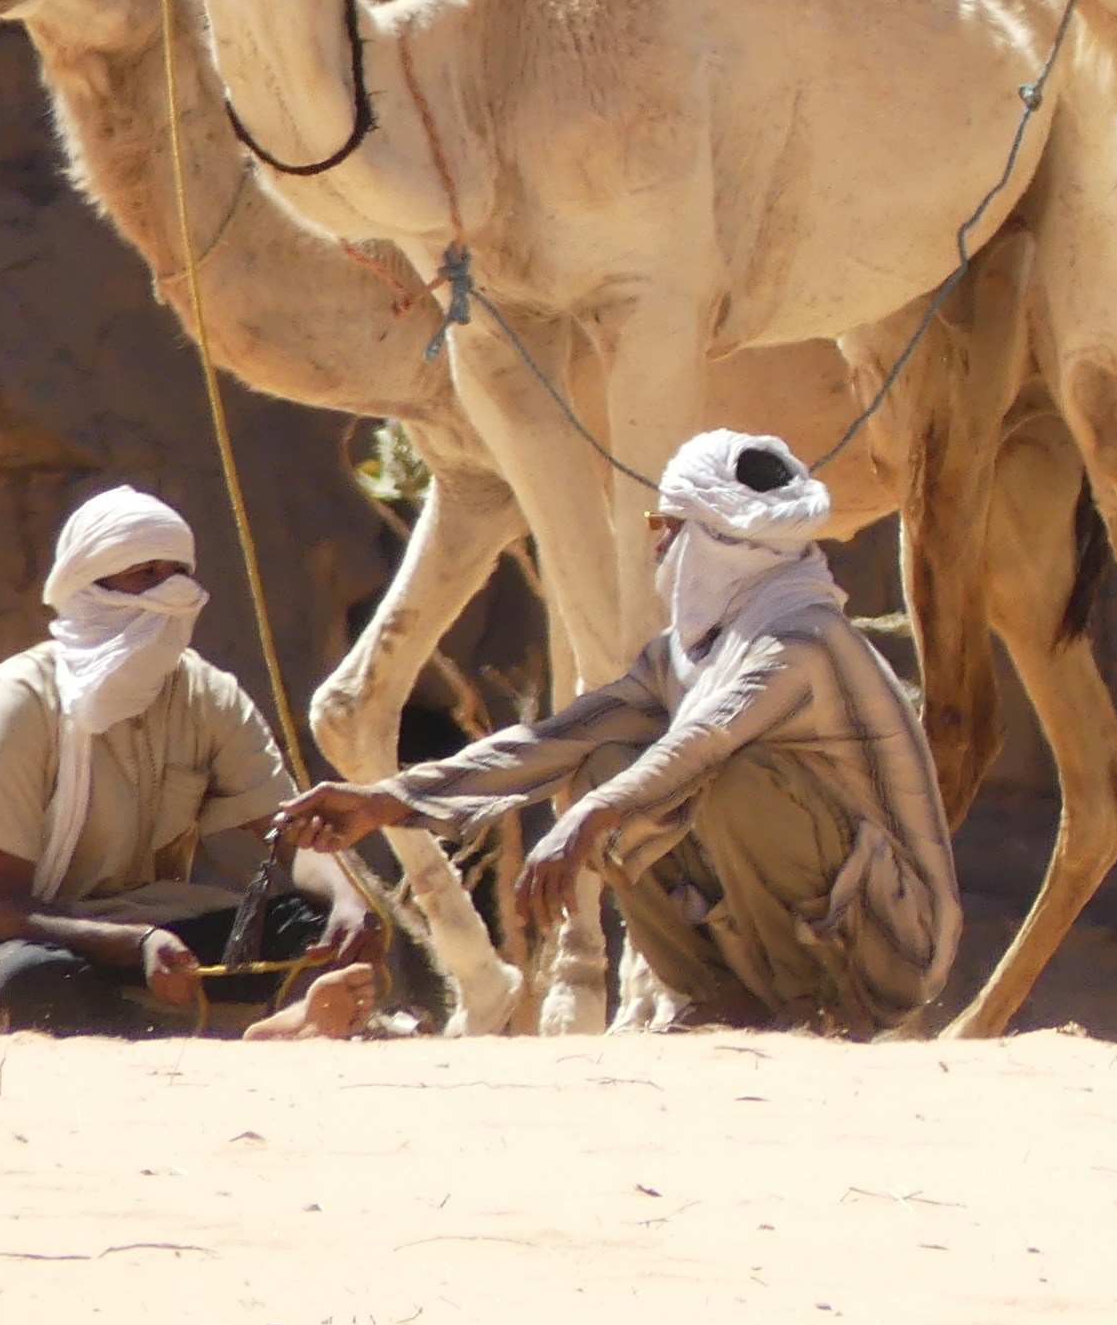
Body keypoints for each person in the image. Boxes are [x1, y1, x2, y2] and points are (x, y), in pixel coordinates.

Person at [280, 429, 958, 1036]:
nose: (659, 544)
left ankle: (822, 1007)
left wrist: (589, 821)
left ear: (718, 540)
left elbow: (704, 744)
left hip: (892, 945)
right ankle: (716, 999)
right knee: (598, 766)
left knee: (728, 780)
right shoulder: (686, 655)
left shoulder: (802, 640)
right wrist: (385, 800)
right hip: (823, 921)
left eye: (668, 524)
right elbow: (559, 739)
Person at [0, 485, 377, 1040]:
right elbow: (4, 912)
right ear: (88, 584)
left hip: (153, 925)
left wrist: (348, 899)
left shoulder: (207, 694)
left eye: (177, 572)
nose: (169, 593)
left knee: (321, 934)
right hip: (16, 938)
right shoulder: (21, 698)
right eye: (144, 573)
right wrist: (136, 943)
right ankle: (232, 1042)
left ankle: (292, 1025)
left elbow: (289, 834)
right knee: (38, 980)